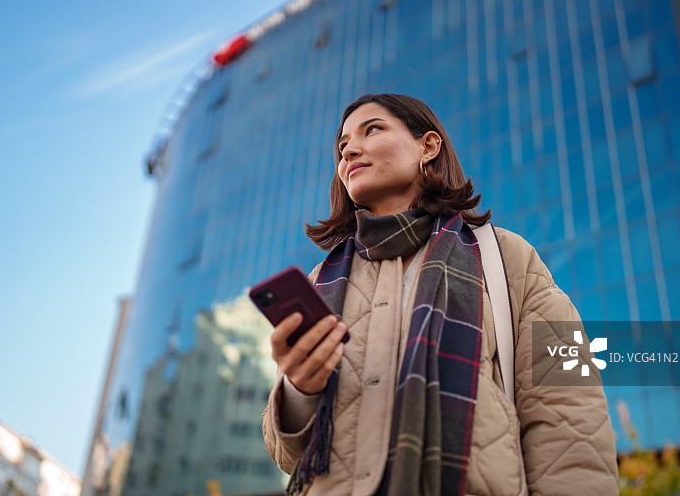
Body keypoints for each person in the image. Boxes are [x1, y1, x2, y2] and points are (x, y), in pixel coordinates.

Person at [262, 94, 619, 495]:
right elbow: (287, 454)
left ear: (428, 147)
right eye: (342, 146)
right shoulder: (320, 283)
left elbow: (573, 409)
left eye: (372, 129)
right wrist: (299, 389)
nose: (349, 151)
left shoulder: (510, 258)